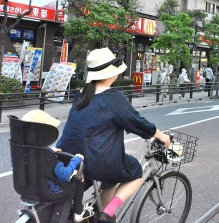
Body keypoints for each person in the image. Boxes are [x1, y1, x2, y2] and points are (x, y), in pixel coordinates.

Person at [57, 48, 171, 223]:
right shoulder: (113, 98)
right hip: (97, 159)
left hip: (70, 157)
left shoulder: (81, 94)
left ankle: (97, 211)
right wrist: (161, 136)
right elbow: (137, 122)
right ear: (111, 74)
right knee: (135, 171)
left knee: (111, 178)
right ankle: (107, 213)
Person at [22, 110, 94, 223]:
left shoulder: (25, 149)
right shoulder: (48, 156)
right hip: (50, 189)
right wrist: (76, 159)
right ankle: (78, 212)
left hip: (32, 186)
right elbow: (64, 174)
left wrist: (51, 151)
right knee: (79, 178)